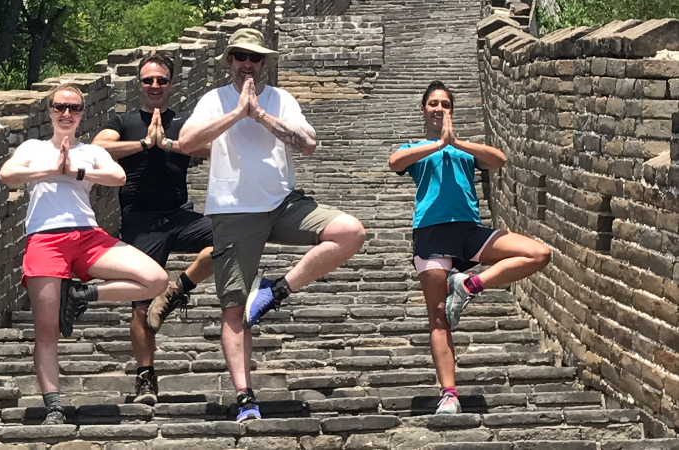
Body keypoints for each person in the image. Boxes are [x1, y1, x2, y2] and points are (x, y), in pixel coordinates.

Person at [177, 28, 366, 421]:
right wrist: (237, 113)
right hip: (234, 211)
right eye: (241, 56)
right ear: (229, 60)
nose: (248, 63)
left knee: (350, 231)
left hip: (283, 203)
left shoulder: (281, 99)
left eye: (256, 57)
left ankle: (276, 289)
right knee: (233, 309)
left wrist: (260, 114)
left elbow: (308, 143)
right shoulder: (215, 100)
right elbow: (187, 143)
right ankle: (246, 397)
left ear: (264, 63)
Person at [0, 84, 169, 425]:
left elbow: (118, 176)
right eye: (60, 106)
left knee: (155, 279)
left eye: (74, 108)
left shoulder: (91, 151)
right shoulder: (33, 147)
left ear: (81, 113)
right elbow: (8, 174)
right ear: (49, 111)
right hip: (45, 239)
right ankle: (54, 407)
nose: (66, 113)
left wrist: (75, 171)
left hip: (87, 236)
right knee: (47, 331)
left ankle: (81, 293)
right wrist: (51, 171)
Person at [388, 81, 551, 414]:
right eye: (433, 104)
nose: (439, 109)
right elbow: (396, 161)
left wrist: (455, 142)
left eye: (445, 104)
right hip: (431, 234)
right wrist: (436, 146)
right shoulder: (416, 147)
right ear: (423, 109)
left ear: (452, 109)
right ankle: (449, 393)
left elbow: (499, 160)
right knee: (438, 319)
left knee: (538, 253)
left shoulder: (464, 150)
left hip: (468, 230)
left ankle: (471, 284)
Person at [92, 53, 214, 406]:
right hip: (141, 221)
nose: (155, 86)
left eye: (161, 80)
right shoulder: (124, 120)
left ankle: (178, 290)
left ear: (171, 84)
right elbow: (99, 147)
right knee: (141, 306)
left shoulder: (182, 122)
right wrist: (145, 144)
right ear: (139, 84)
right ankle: (146, 378)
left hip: (179, 215)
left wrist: (172, 144)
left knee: (230, 238)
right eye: (148, 80)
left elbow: (211, 147)